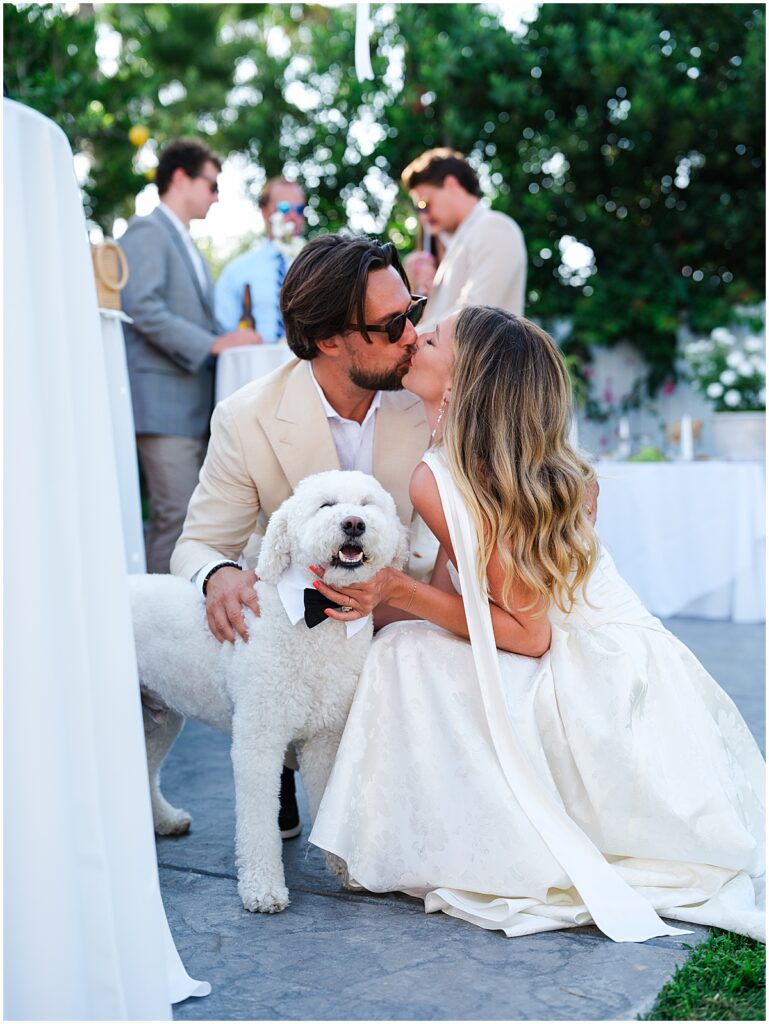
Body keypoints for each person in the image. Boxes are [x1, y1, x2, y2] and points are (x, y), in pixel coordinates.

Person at [308, 306, 765, 944]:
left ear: (467, 380)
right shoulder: (495, 466)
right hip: (638, 671)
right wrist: (358, 595)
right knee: (408, 637)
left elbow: (528, 634)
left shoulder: (439, 477)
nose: (414, 340)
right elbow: (460, 590)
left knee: (402, 654)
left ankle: (435, 836)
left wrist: (396, 590)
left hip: (589, 684)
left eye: (432, 338)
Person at [170, 234, 433, 838]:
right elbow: (198, 542)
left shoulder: (427, 393)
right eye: (392, 325)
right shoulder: (247, 416)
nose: (413, 335)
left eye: (413, 311)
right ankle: (285, 752)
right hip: (302, 620)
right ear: (328, 340)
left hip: (402, 605)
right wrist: (220, 574)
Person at [120, 138, 261, 573]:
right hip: (164, 407)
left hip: (191, 406)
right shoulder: (148, 230)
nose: (217, 196)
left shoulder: (186, 243)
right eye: (212, 184)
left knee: (193, 521)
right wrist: (213, 344)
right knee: (174, 518)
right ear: (181, 178)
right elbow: (139, 304)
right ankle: (153, 630)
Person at [402, 148, 527, 330]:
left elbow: (474, 318)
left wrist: (405, 339)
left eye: (424, 204)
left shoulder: (494, 227)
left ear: (451, 184)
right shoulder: (457, 244)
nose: (423, 217)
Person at [214, 178, 307, 342]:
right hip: (257, 363)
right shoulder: (237, 271)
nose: (293, 216)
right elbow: (222, 332)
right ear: (265, 212)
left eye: (299, 209)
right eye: (284, 208)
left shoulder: (315, 269)